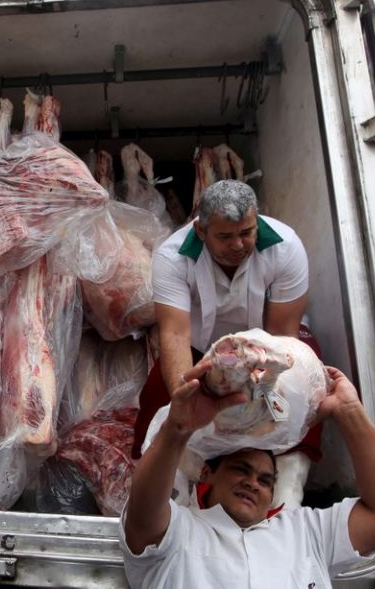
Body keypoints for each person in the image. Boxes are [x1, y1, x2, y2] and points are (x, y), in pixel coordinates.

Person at [120, 361, 375, 588]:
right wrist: (177, 429)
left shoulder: (306, 532)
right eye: (240, 470)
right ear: (207, 473)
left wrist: (349, 410)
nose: (253, 484)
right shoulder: (177, 531)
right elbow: (143, 508)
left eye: (265, 480)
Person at [133, 179, 314, 475]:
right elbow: (175, 333)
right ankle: (145, 474)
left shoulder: (287, 246)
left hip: (268, 341)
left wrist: (266, 398)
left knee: (305, 394)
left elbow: (283, 333)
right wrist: (184, 400)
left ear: (256, 220)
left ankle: (284, 477)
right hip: (199, 345)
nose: (239, 245)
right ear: (201, 231)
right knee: (156, 397)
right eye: (226, 236)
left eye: (246, 232)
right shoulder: (172, 256)